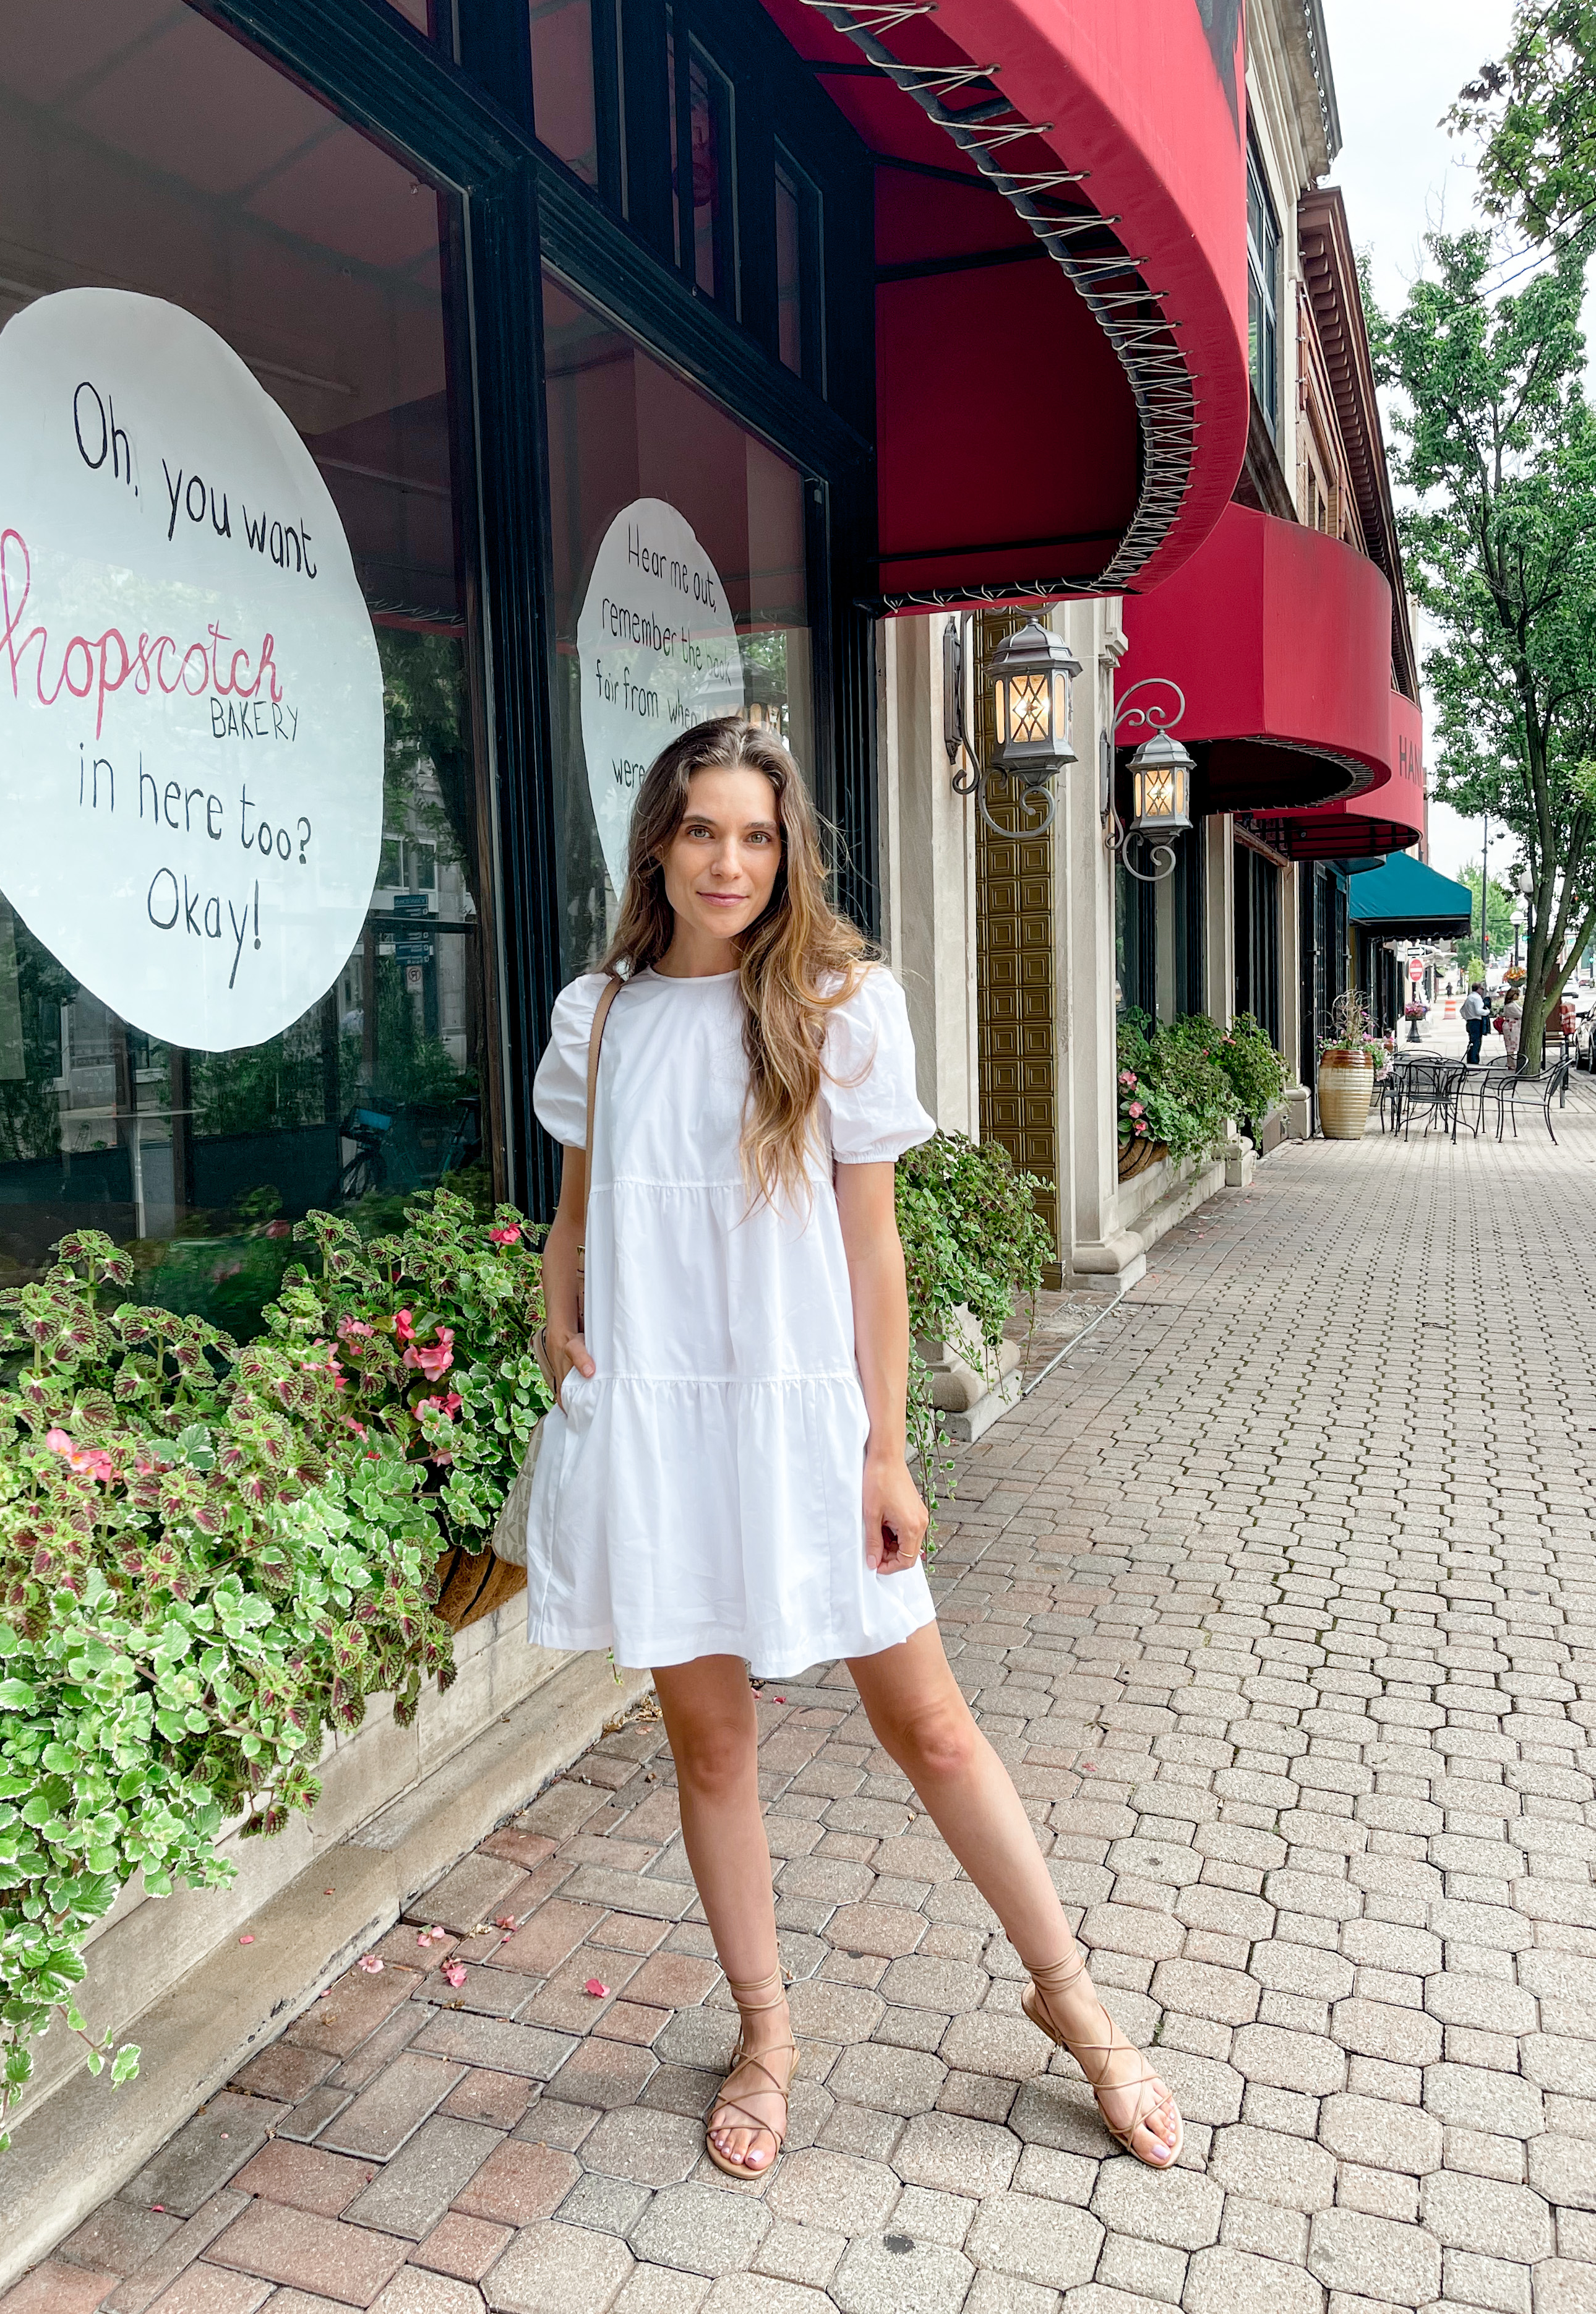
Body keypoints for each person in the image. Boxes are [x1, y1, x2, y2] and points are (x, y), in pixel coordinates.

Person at [527, 718, 1180, 2182]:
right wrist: (557, 1306)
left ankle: (1074, 2000)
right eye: (703, 830)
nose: (729, 862)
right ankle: (764, 2033)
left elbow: (871, 1251)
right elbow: (581, 1199)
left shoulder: (836, 1004)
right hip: (658, 1419)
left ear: (788, 849)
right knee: (709, 1742)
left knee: (933, 1726)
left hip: (804, 1418)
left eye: (757, 836)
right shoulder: (602, 1013)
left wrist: (888, 1453)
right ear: (658, 840)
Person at [1461, 983, 1488, 1065]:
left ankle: (1470, 1059)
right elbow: (1479, 1011)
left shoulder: (1469, 998)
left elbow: (1462, 1010)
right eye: (1482, 989)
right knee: (1477, 1042)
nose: (1482, 991)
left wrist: (1467, 1018)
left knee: (1472, 1041)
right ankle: (1474, 1060)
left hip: (1470, 1022)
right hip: (1476, 1021)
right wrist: (1487, 1012)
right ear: (1478, 989)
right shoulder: (1477, 998)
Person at [1499, 987, 1523, 1070]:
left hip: (1511, 1026)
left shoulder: (1510, 1005)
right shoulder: (1511, 1006)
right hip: (1512, 1027)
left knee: (1511, 1046)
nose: (1519, 996)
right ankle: (1511, 1063)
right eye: (1517, 994)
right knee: (1512, 1046)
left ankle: (1511, 1063)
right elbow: (1520, 1015)